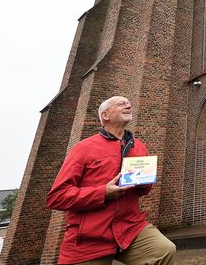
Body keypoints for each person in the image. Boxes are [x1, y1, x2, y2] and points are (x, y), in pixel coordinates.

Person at [46, 96, 176, 265]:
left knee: (164, 251)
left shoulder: (139, 146)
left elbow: (143, 190)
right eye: (121, 103)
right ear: (105, 115)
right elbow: (57, 196)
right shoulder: (84, 148)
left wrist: (144, 184)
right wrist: (103, 193)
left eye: (129, 103)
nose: (128, 105)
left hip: (130, 228)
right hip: (89, 237)